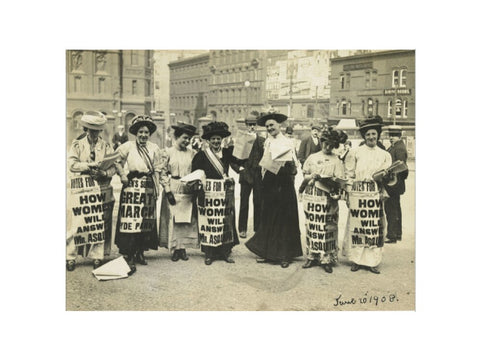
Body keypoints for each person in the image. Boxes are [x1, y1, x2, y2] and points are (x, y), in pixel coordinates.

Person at [245, 112, 302, 268]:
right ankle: (267, 252)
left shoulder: (288, 142)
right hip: (270, 182)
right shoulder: (267, 142)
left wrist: (286, 166)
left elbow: (294, 164)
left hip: (284, 183)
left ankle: (285, 255)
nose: (270, 128)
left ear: (279, 126)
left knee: (284, 219)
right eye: (268, 126)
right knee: (268, 217)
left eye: (272, 125)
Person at [67, 111, 117, 271]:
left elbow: (113, 167)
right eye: (91, 129)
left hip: (101, 187)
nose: (94, 133)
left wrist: (103, 173)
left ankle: (97, 256)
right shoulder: (76, 145)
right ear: (85, 129)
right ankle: (70, 256)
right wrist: (89, 166)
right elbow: (72, 165)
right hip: (81, 187)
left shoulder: (106, 146)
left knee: (98, 223)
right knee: (77, 223)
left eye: (97, 130)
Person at [343, 115, 392, 274]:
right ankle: (357, 259)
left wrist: (385, 183)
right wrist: (349, 194)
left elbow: (390, 177)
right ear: (364, 136)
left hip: (375, 194)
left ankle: (372, 261)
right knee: (358, 227)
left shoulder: (385, 155)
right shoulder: (355, 152)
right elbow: (349, 174)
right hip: (358, 193)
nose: (371, 137)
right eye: (368, 134)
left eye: (374, 134)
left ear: (378, 135)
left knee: (373, 227)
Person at [114, 115, 162, 273]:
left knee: (145, 221)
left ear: (150, 134)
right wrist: (122, 175)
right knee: (130, 220)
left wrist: (157, 188)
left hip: (147, 186)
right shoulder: (127, 146)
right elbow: (116, 160)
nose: (143, 135)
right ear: (136, 133)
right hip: (131, 186)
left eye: (146, 132)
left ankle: (140, 252)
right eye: (141, 132)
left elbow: (157, 169)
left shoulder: (154, 148)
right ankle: (129, 253)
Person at [191, 121, 241, 265]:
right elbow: (196, 173)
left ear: (222, 140)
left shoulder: (227, 153)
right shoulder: (201, 155)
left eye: (218, 138)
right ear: (208, 140)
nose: (216, 141)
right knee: (209, 222)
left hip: (224, 193)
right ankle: (209, 253)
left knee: (225, 221)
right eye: (213, 139)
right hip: (209, 194)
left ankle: (225, 252)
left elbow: (238, 162)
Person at [301, 127, 347, 273]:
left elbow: (340, 181)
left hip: (328, 197)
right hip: (313, 195)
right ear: (321, 142)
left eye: (331, 145)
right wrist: (311, 177)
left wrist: (335, 187)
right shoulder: (312, 158)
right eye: (325, 143)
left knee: (328, 226)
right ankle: (312, 256)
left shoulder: (337, 161)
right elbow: (305, 175)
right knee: (313, 225)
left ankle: (326, 258)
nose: (327, 147)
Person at [159, 123, 199, 261]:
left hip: (187, 187)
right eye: (184, 138)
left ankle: (183, 248)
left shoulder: (192, 153)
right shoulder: (168, 152)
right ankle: (175, 248)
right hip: (174, 186)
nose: (187, 141)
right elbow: (162, 172)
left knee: (186, 219)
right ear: (177, 137)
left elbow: (196, 172)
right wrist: (167, 189)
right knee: (174, 218)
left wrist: (194, 187)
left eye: (189, 139)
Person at [237, 115, 265, 238]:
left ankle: (257, 228)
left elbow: (266, 158)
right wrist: (240, 169)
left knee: (258, 202)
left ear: (257, 126)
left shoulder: (262, 140)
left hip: (258, 176)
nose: (252, 127)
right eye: (249, 124)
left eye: (254, 124)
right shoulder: (241, 139)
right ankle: (242, 228)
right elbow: (234, 159)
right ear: (246, 125)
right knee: (244, 203)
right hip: (245, 175)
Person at [384, 125, 408, 244]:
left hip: (394, 183)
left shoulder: (399, 148)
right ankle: (397, 233)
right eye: (390, 135)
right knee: (395, 209)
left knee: (391, 209)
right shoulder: (397, 146)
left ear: (399, 136)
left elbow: (401, 167)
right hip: (395, 184)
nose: (391, 138)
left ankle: (392, 235)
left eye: (394, 135)